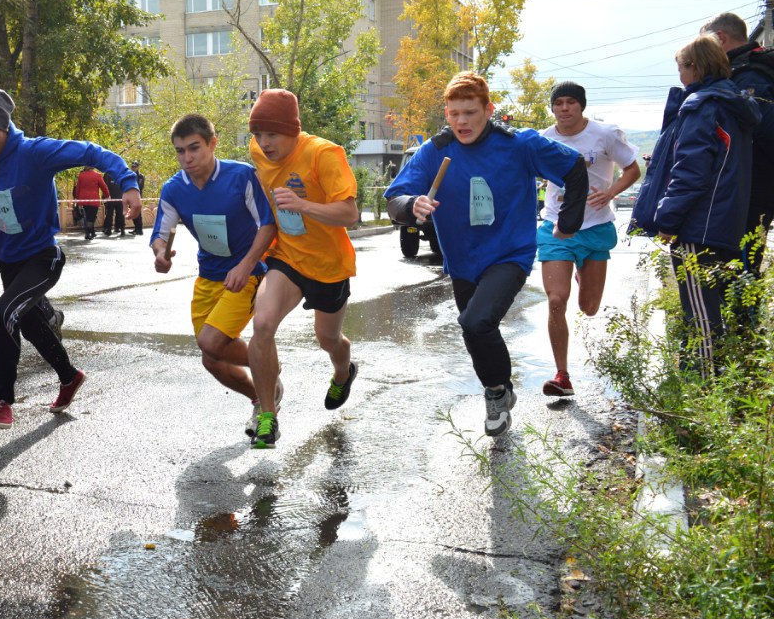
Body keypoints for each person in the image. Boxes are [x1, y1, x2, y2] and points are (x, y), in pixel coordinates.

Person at [386, 72, 588, 436]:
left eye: (469, 112)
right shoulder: (436, 151)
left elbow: (574, 168)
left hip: (510, 253)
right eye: (453, 114)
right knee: (476, 330)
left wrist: (569, 222)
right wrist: (410, 205)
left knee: (475, 322)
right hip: (462, 259)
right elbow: (394, 200)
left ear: (488, 110)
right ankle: (499, 389)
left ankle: (495, 395)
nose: (461, 122)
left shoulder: (520, 144)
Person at [0, 84, 141, 429]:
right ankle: (69, 376)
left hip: (43, 255)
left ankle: (2, 398)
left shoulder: (35, 152)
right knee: (29, 325)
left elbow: (94, 153)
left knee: (2, 315)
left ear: (2, 124)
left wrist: (128, 182)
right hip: (7, 257)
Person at [630, 36, 759, 374]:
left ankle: (704, 389)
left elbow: (690, 171)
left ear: (696, 67)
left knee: (701, 314)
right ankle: (702, 380)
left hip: (697, 224)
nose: (679, 76)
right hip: (719, 221)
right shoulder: (731, 103)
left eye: (681, 68)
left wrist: (668, 219)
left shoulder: (703, 105)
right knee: (708, 306)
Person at [244, 89, 359, 449]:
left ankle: (344, 372)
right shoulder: (256, 151)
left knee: (328, 339)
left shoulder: (323, 154)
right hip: (287, 257)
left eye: (272, 135)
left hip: (329, 265)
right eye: (258, 135)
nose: (264, 144)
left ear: (293, 130)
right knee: (262, 324)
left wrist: (303, 205)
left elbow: (350, 214)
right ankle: (267, 416)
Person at [152, 114, 276, 437]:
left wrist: (247, 264)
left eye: (194, 148)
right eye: (180, 151)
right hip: (208, 277)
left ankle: (266, 371)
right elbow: (162, 232)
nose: (187, 158)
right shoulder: (174, 188)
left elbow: (268, 224)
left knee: (210, 341)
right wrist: (160, 254)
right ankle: (261, 394)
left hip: (246, 274)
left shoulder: (241, 177)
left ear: (212, 143)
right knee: (210, 358)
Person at [537, 82, 641, 396]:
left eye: (571, 103)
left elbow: (633, 168)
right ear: (552, 108)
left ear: (581, 106)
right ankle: (562, 375)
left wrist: (612, 192)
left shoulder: (604, 134)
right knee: (556, 301)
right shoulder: (544, 140)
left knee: (590, 308)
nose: (565, 108)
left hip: (595, 227)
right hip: (556, 226)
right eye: (559, 103)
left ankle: (583, 272)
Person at [700, 12, 774, 275]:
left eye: (706, 43)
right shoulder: (740, 72)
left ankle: (743, 318)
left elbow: (765, 130)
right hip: (745, 189)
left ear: (720, 38)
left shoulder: (748, 76)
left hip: (751, 190)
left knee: (740, 271)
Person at [74, 165, 108, 240]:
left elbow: (78, 188)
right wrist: (107, 195)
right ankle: (89, 233)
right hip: (94, 200)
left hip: (84, 200)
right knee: (91, 217)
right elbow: (104, 187)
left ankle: (90, 232)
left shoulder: (81, 175)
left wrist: (77, 198)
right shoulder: (97, 175)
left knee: (87, 216)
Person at [101, 169, 125, 237]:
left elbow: (104, 187)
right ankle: (121, 229)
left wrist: (105, 197)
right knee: (120, 214)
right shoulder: (121, 174)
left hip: (111, 197)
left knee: (109, 214)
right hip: (119, 197)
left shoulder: (107, 174)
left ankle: (109, 229)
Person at [130, 161, 146, 235]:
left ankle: (139, 229)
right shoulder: (129, 175)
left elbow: (140, 186)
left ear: (138, 167)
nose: (133, 168)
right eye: (132, 167)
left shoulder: (140, 176)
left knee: (138, 213)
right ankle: (136, 228)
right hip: (131, 196)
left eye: (135, 167)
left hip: (137, 196)